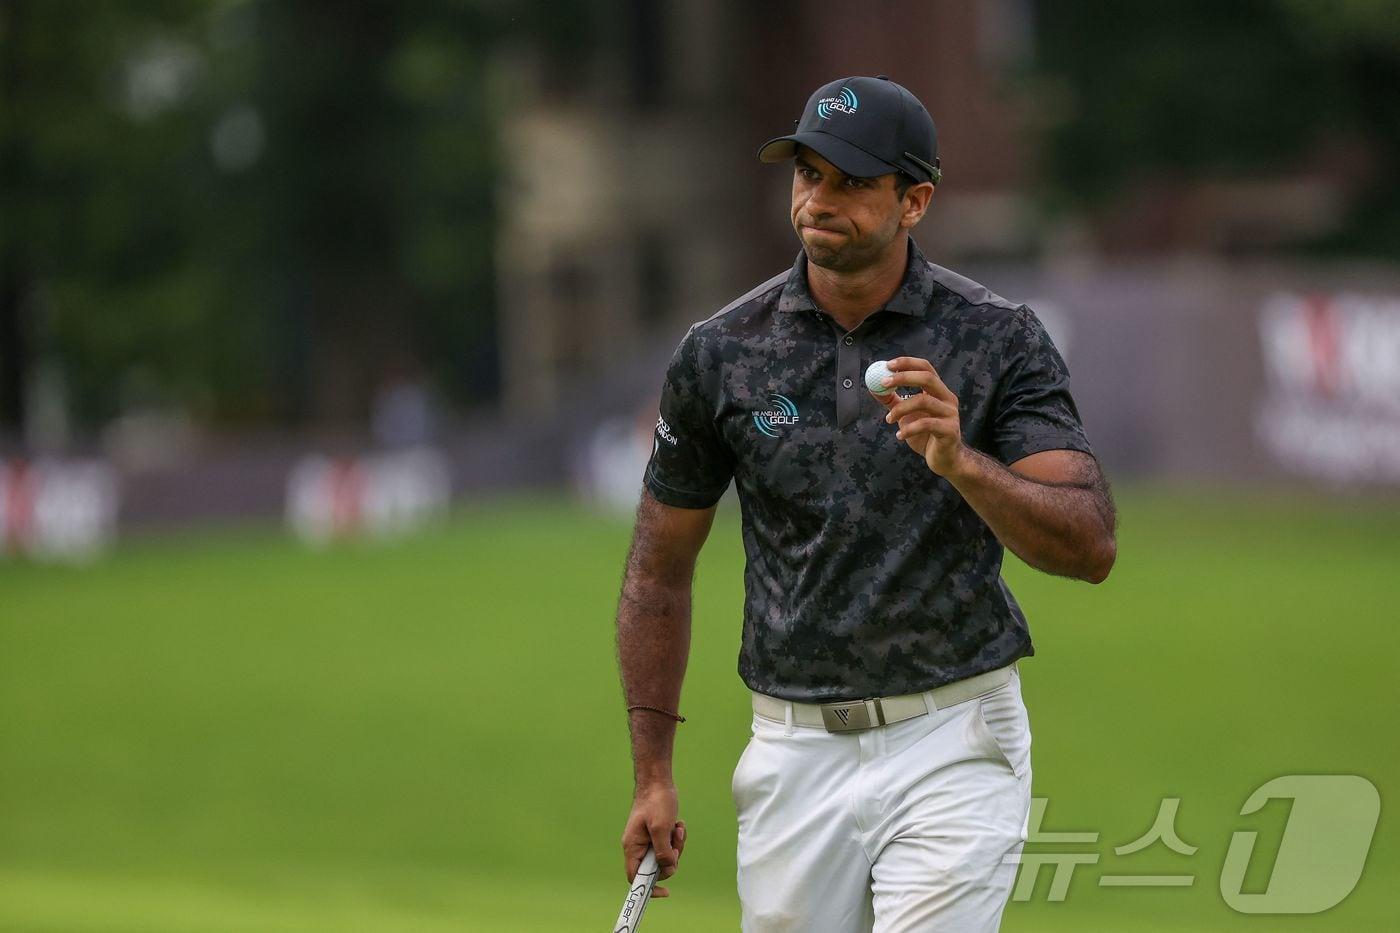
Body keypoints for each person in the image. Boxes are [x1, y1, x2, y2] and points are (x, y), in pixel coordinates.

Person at [615, 75, 1117, 931]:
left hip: (954, 737)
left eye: (850, 180)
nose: (818, 198)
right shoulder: (720, 354)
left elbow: (1088, 543)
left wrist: (963, 463)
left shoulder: (997, 337)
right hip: (791, 751)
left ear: (914, 200)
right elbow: (658, 572)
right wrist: (653, 772)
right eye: (807, 173)